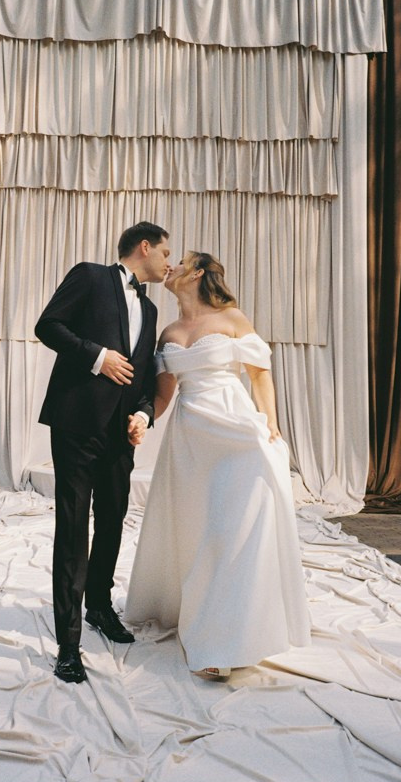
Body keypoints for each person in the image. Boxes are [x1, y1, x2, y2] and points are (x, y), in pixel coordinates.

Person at [124, 251, 311, 677]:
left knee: (232, 531)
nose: (171, 267)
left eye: (182, 260)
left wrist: (272, 427)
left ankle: (222, 642)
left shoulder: (231, 318)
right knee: (199, 531)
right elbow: (164, 394)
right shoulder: (167, 331)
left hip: (238, 433)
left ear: (200, 272)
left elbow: (259, 374)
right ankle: (202, 612)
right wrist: (142, 418)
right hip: (190, 440)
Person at [35, 222, 171, 683]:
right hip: (75, 424)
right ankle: (68, 645)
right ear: (145, 246)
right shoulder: (90, 276)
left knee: (113, 518)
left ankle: (99, 606)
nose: (169, 262)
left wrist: (143, 415)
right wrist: (97, 357)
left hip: (119, 434)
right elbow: (48, 325)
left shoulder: (151, 310)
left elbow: (144, 378)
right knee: (73, 528)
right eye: (166, 252)